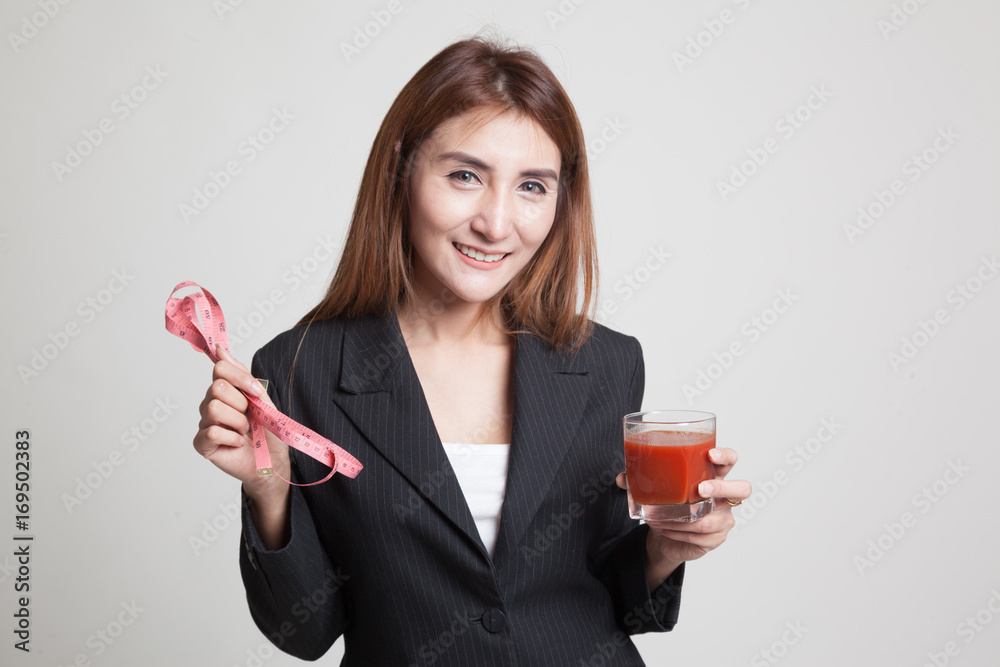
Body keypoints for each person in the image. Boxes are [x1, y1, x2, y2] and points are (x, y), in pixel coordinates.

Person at [193, 36, 751, 666]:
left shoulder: (606, 362)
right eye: (465, 176)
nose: (496, 223)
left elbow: (614, 594)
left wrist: (668, 547)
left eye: (532, 186)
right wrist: (270, 489)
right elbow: (306, 632)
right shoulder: (299, 371)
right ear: (402, 169)